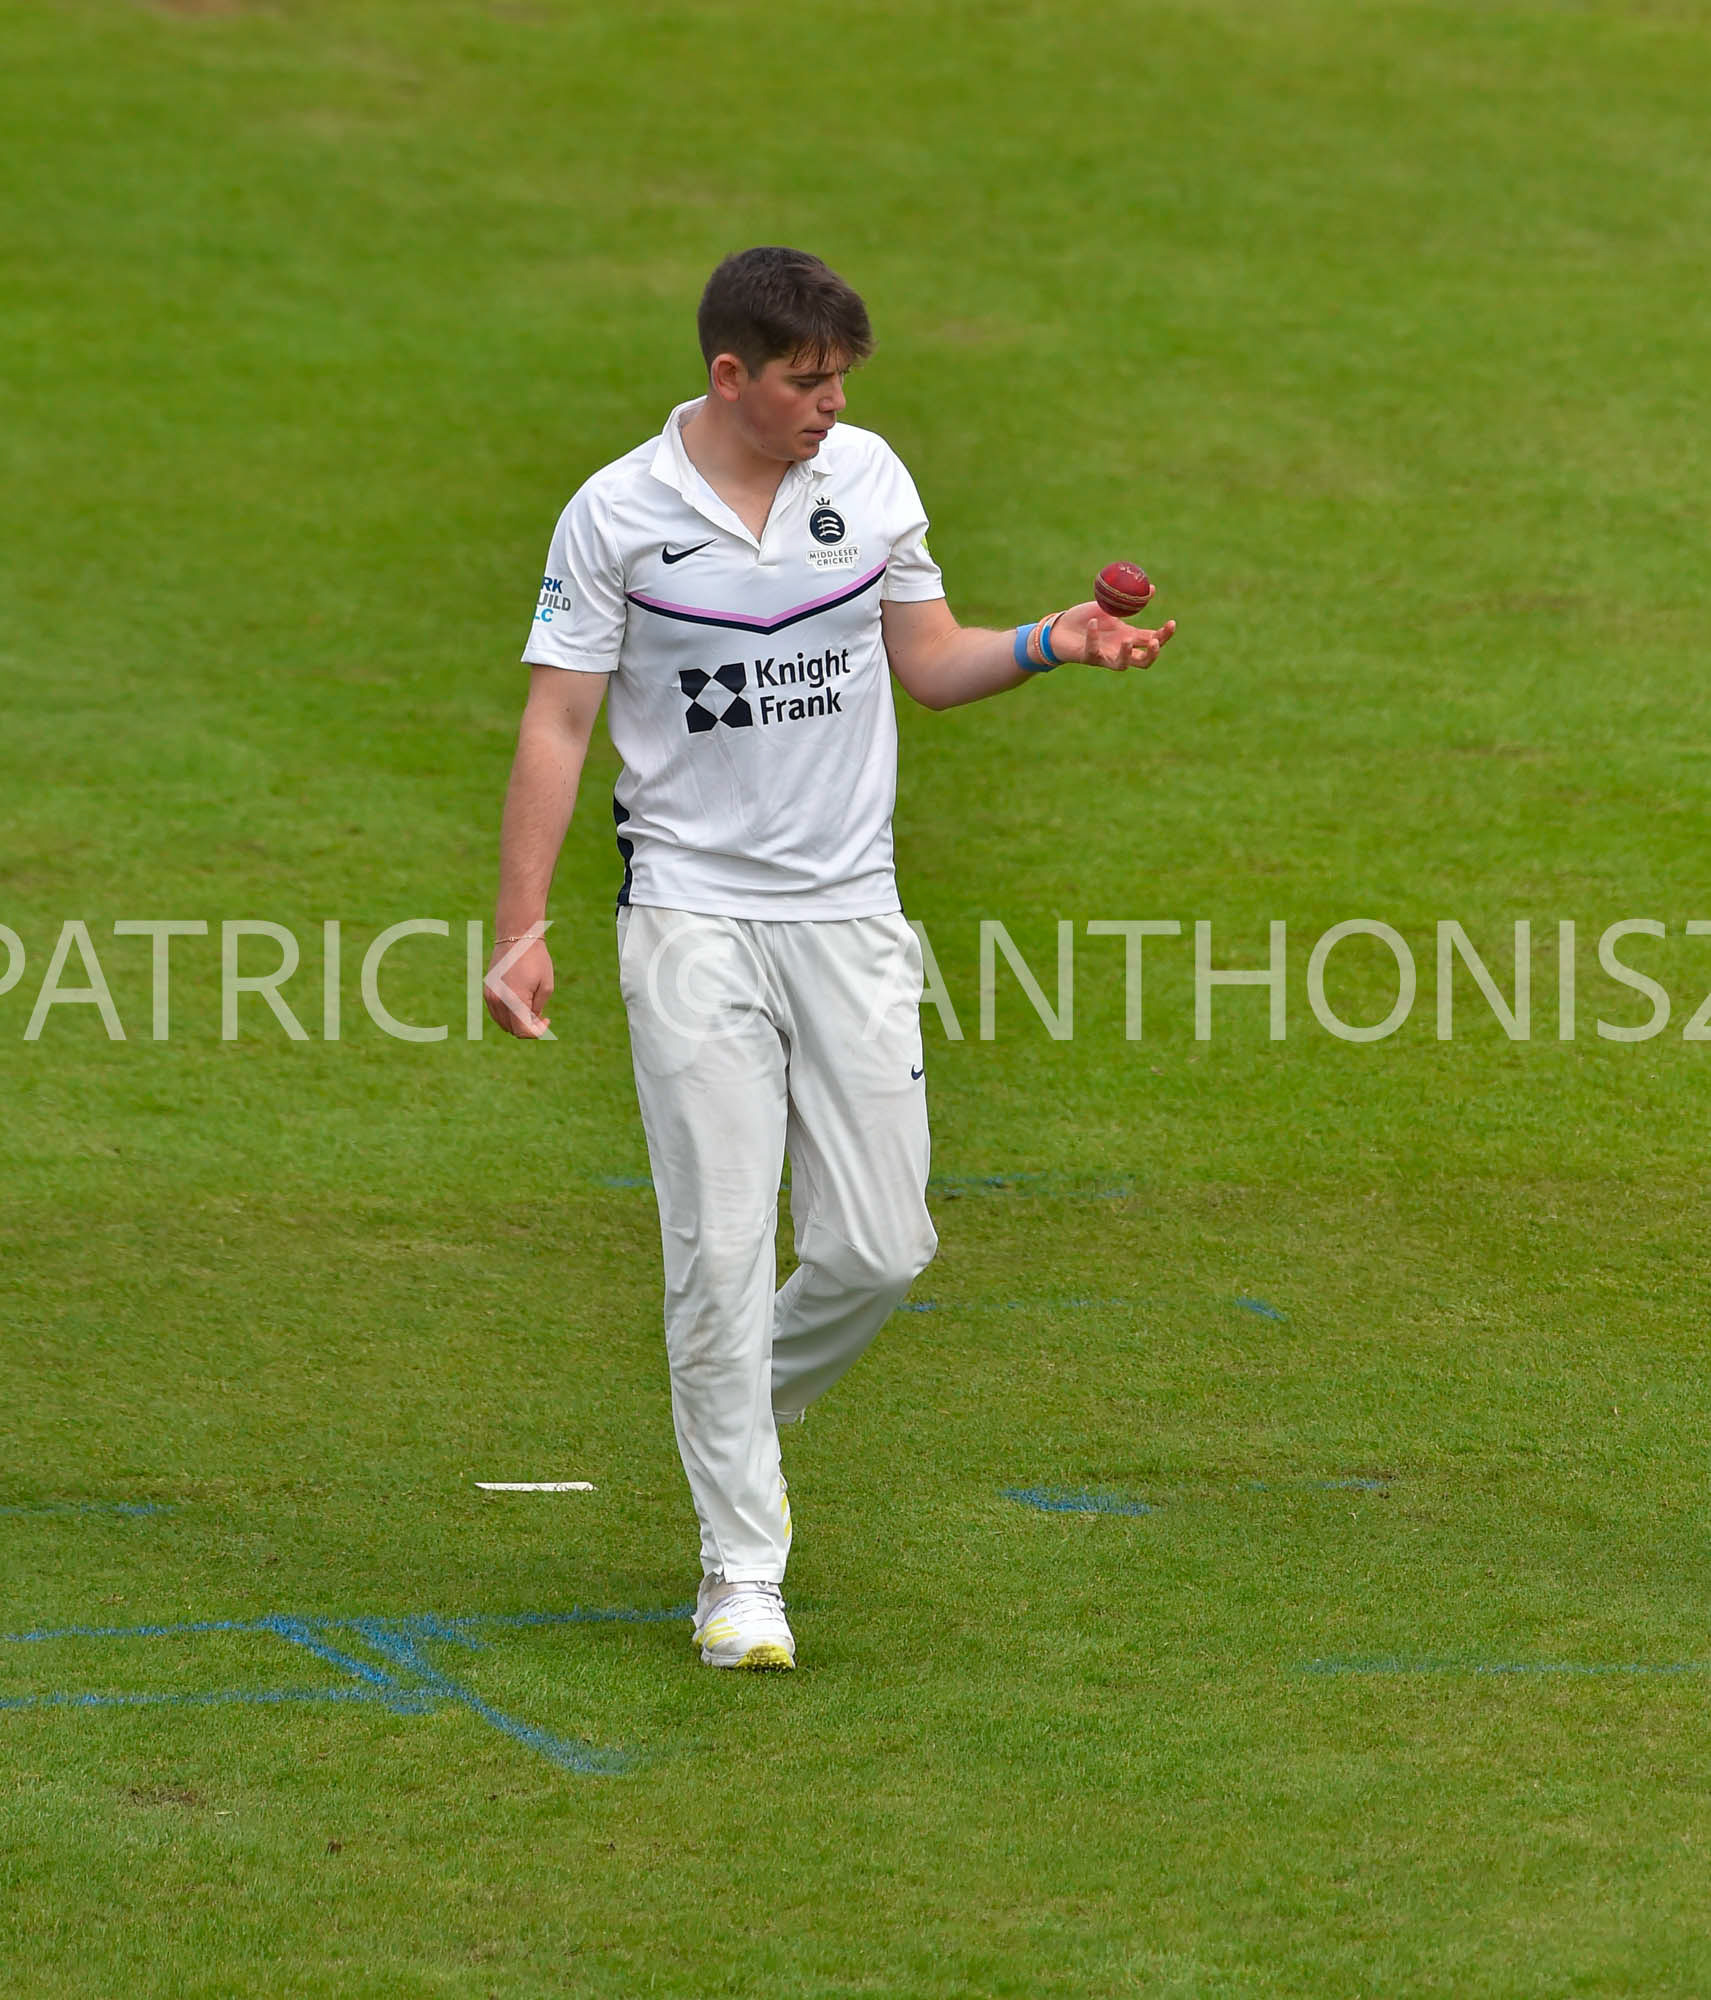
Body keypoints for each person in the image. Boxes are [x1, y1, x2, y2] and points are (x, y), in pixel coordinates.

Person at [484, 247, 1175, 1672]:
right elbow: (557, 725)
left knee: (880, 1246)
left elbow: (927, 659)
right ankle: (741, 1574)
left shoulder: (869, 479)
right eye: (806, 383)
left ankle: (727, 1405)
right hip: (689, 917)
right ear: (729, 375)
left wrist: (1058, 639)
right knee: (720, 1254)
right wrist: (519, 929)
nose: (831, 405)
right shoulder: (616, 515)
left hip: (853, 913)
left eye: (842, 379)